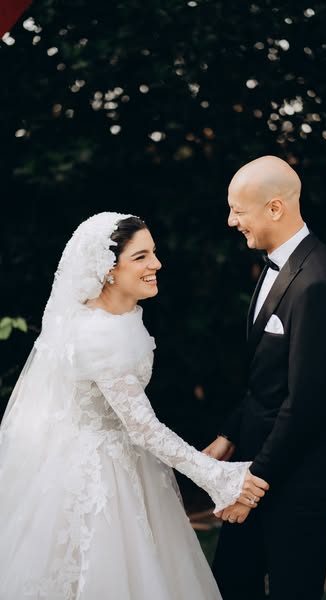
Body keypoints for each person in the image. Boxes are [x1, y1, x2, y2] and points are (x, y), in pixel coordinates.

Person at [0, 212, 268, 600]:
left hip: (127, 457)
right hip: (96, 474)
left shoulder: (120, 318)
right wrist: (216, 476)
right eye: (141, 256)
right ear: (108, 270)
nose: (156, 264)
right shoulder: (98, 335)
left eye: (153, 253)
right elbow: (143, 426)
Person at [204, 156, 326, 600]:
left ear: (275, 208)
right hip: (257, 463)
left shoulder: (318, 283)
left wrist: (253, 485)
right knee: (232, 584)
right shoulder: (278, 266)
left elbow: (308, 401)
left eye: (238, 210)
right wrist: (230, 434)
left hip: (296, 477)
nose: (231, 221)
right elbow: (266, 381)